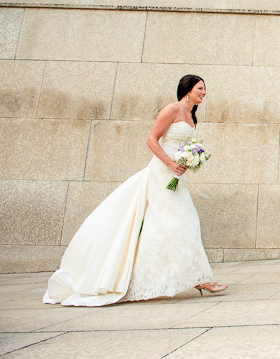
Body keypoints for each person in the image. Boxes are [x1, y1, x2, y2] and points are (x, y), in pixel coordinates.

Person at [44, 75, 227, 306]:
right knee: (182, 221)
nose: (204, 93)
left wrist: (191, 158)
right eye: (200, 88)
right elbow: (152, 140)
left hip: (176, 177)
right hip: (161, 174)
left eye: (204, 89)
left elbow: (184, 145)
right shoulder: (172, 109)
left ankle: (194, 277)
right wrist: (171, 163)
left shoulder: (192, 115)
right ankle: (201, 278)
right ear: (187, 89)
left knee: (176, 223)